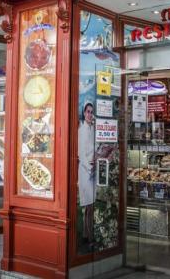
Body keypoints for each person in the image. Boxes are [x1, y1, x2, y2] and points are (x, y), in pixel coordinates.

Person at [77, 102, 96, 244]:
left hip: (93, 170)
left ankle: (85, 233)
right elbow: (80, 155)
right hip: (85, 171)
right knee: (89, 205)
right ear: (84, 113)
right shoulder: (81, 130)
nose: (89, 114)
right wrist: (90, 167)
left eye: (91, 112)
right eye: (87, 112)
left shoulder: (93, 128)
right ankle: (90, 238)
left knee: (91, 204)